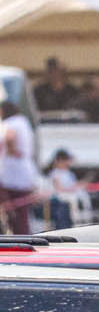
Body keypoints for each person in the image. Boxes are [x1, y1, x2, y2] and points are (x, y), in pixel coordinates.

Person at [0, 100, 39, 235]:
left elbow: (10, 138)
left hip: (12, 175)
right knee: (22, 214)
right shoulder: (23, 122)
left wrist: (10, 150)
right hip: (24, 173)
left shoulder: (11, 123)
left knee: (15, 214)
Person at [43, 150, 84, 230]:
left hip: (70, 196)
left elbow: (73, 186)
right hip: (58, 198)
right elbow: (59, 189)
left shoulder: (70, 173)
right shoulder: (55, 173)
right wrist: (72, 188)